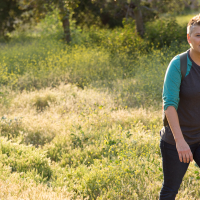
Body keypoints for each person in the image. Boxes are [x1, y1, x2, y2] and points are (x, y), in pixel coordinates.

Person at [159, 14, 200, 200]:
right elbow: (169, 105)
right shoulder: (179, 64)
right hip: (178, 138)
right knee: (170, 190)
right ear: (189, 38)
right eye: (198, 35)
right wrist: (180, 142)